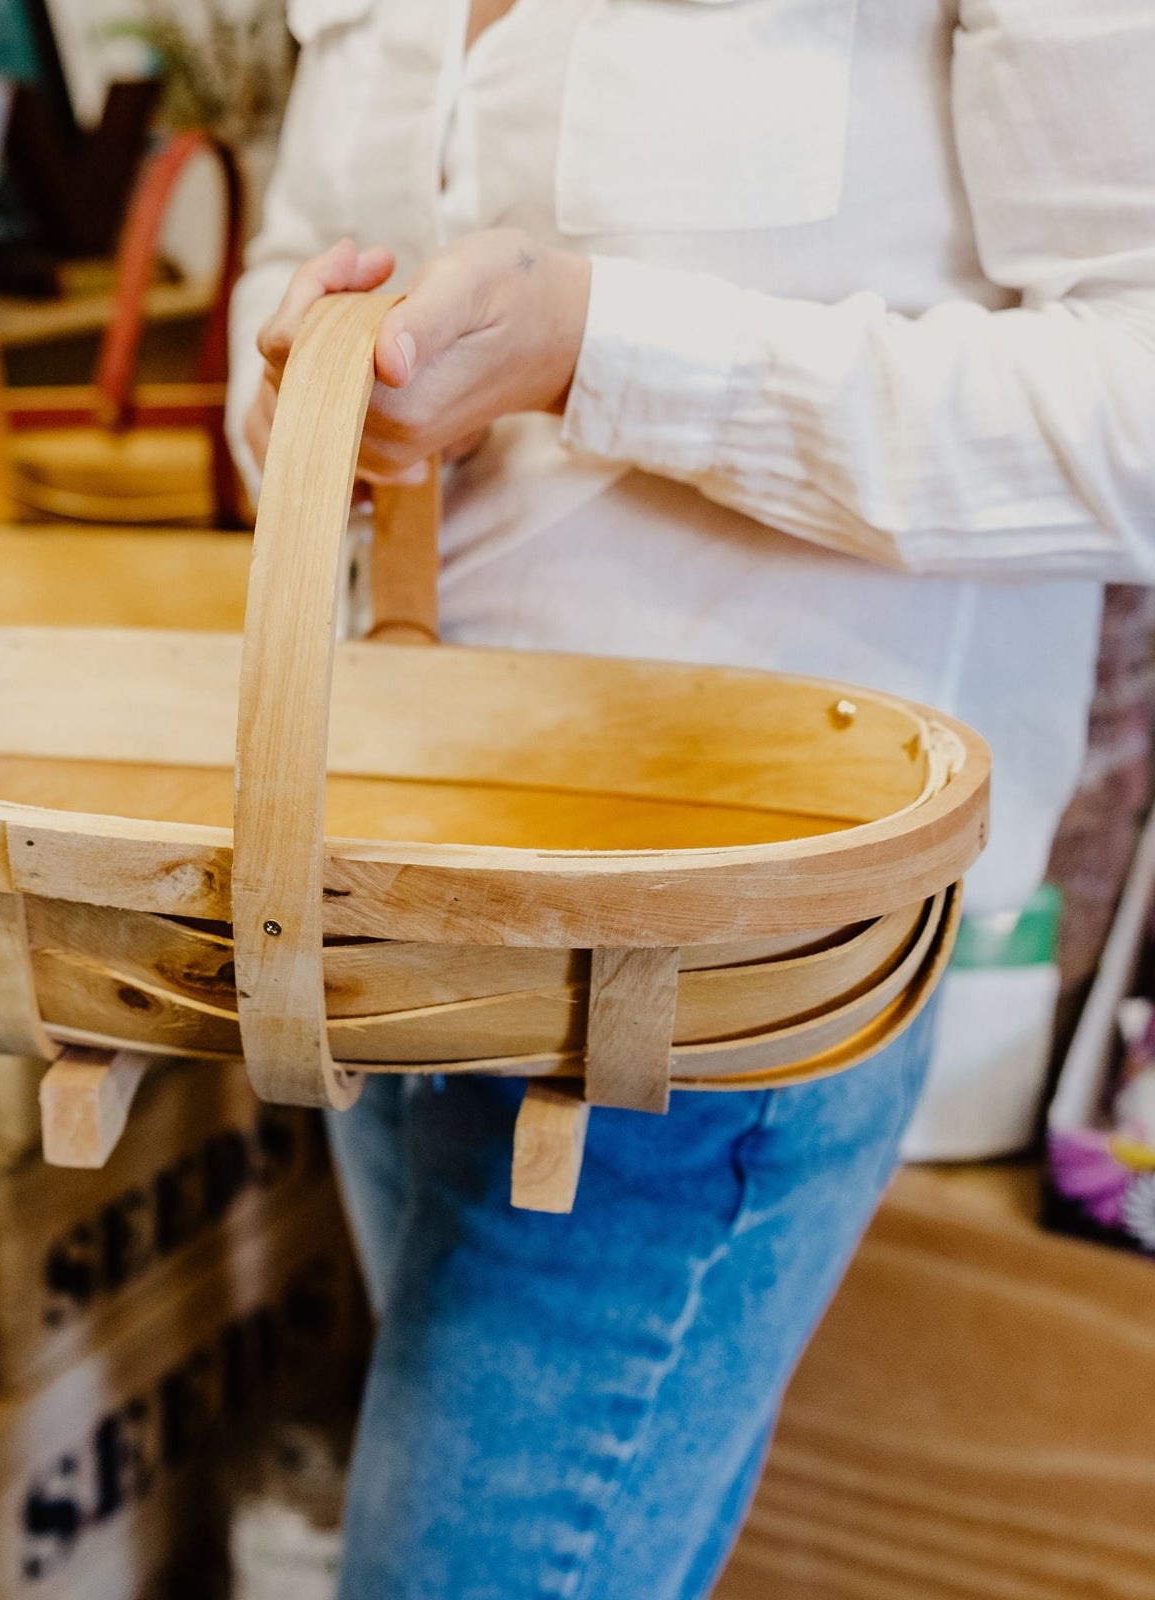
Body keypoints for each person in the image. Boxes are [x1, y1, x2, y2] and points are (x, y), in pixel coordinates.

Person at [223, 2, 1155, 1595]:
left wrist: (599, 347)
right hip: (386, 909)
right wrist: (314, 371)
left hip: (720, 967)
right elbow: (298, 254)